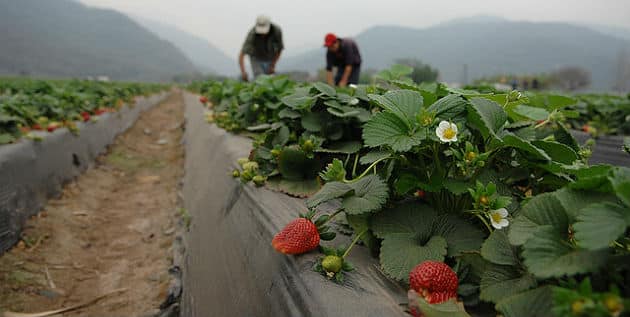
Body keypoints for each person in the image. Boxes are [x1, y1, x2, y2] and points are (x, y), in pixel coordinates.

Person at [239, 15, 283, 81]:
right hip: (256, 58)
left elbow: (280, 49)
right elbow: (242, 54)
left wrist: (273, 65)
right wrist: (243, 72)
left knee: (271, 79)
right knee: (259, 78)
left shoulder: (276, 31)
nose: (262, 34)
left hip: (270, 57)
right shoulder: (252, 34)